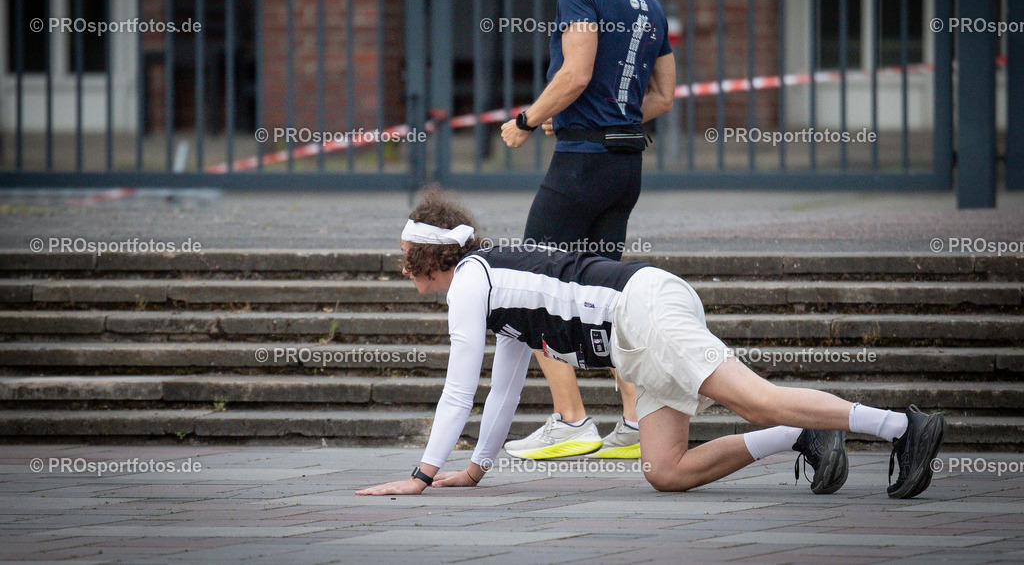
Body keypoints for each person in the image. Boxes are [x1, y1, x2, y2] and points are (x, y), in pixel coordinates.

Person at [356, 190, 947, 498]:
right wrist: (475, 469)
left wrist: (422, 476)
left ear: (428, 258)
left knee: (756, 399)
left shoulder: (469, 281)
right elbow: (502, 391)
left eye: (406, 260)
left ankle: (903, 426)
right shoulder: (495, 291)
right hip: (635, 331)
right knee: (665, 470)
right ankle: (801, 436)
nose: (404, 271)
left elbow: (458, 390)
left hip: (640, 308)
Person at [497, 0, 676, 460]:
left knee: (531, 282)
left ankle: (571, 419)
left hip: (581, 164)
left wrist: (527, 120)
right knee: (603, 293)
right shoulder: (650, 4)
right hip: (625, 165)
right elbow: (662, 97)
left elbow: (575, 73)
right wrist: (589, 117)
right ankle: (635, 422)